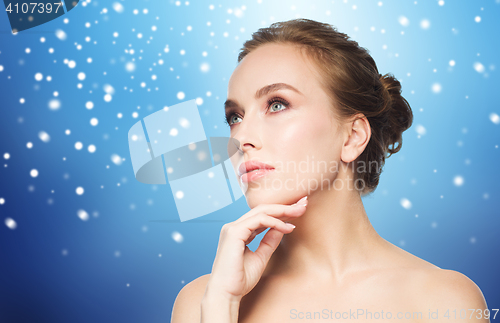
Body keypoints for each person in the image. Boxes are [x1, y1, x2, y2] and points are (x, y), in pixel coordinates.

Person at [171, 18, 489, 323]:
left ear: (352, 136)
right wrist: (221, 304)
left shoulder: (445, 300)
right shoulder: (203, 301)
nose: (240, 139)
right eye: (235, 117)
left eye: (277, 104)